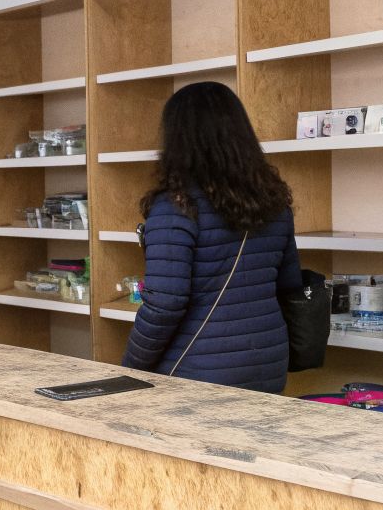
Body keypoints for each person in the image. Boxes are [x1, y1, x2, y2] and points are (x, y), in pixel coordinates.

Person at [123, 81, 302, 393]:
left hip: (197, 368)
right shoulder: (273, 203)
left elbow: (164, 305)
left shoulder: (176, 207)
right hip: (267, 360)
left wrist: (130, 366)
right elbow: (288, 284)